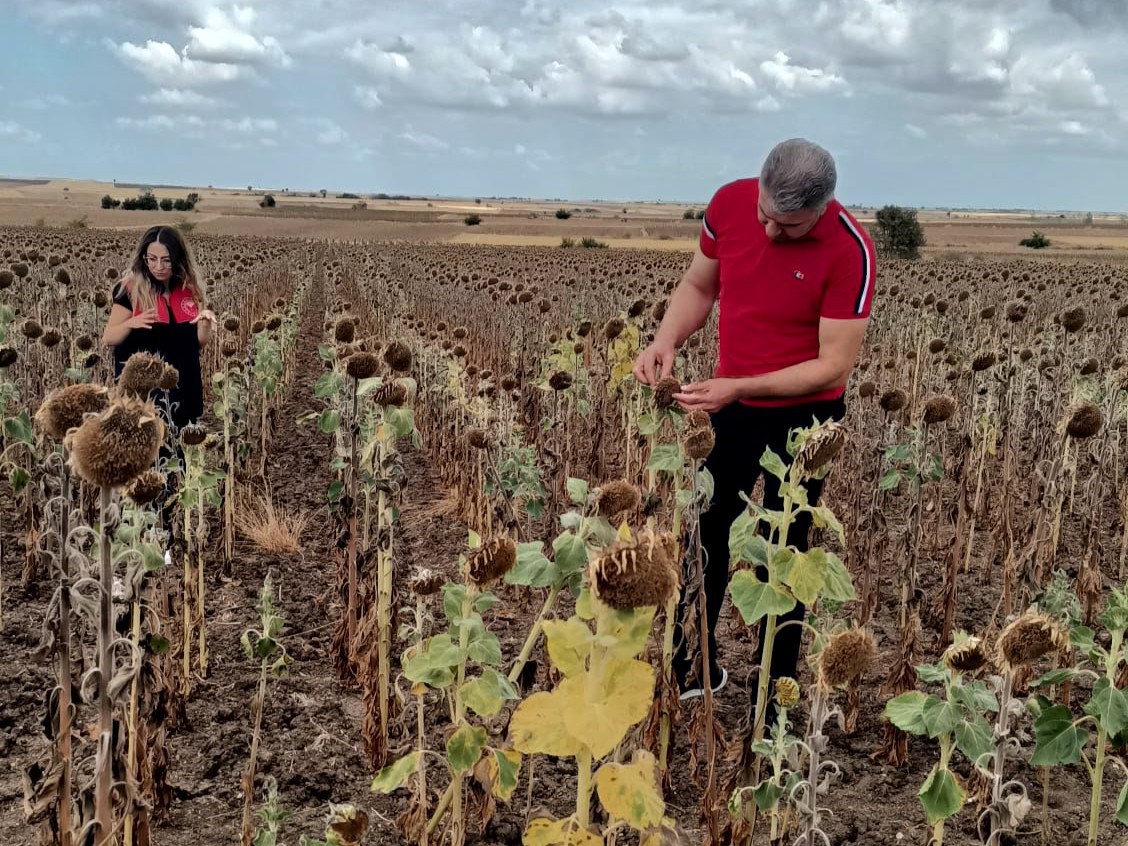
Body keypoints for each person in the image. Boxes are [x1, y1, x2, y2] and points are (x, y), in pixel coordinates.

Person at [632, 138, 875, 708]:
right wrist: (666, 338)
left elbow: (832, 367)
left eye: (787, 226)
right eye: (764, 215)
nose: (768, 231)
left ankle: (774, 692)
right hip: (732, 407)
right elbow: (700, 285)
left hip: (806, 420)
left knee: (785, 546)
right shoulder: (729, 203)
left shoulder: (851, 250)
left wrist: (739, 385)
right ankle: (694, 664)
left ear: (822, 208)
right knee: (706, 530)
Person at [101, 225, 216, 431]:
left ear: (178, 259)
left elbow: (198, 343)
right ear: (143, 258)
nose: (159, 266)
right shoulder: (130, 290)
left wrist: (205, 322)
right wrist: (131, 323)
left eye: (166, 260)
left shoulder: (189, 290)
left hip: (183, 385)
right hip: (145, 392)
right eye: (152, 259)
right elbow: (109, 337)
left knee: (181, 442)